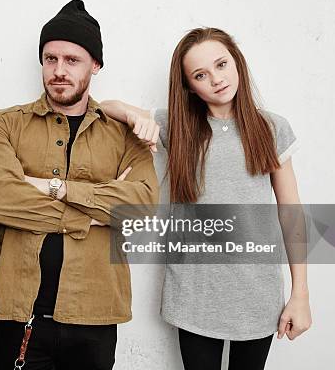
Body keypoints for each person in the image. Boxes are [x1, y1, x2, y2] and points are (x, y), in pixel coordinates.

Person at [101, 27, 312, 370]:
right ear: (188, 85)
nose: (216, 79)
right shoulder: (178, 127)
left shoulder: (271, 129)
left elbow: (292, 213)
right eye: (201, 74)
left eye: (221, 65)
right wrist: (135, 118)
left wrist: (300, 294)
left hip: (257, 294)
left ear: (237, 63)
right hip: (194, 294)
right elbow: (105, 106)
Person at [0, 0, 159, 370]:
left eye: (72, 60)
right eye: (50, 59)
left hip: (96, 313)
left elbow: (141, 209)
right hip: (21, 312)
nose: (59, 71)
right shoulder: (4, 125)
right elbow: (1, 200)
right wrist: (93, 215)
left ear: (95, 65)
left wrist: (52, 187)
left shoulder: (126, 135)